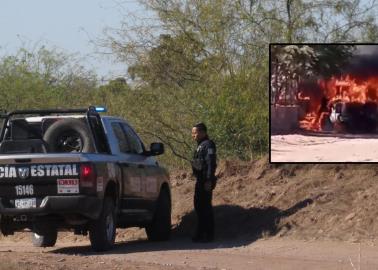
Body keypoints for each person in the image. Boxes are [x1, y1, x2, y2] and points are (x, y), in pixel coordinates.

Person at [191, 122, 217, 243]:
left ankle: (209, 234)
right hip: (200, 180)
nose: (193, 135)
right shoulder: (200, 145)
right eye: (192, 133)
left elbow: (210, 163)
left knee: (205, 208)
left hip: (205, 180)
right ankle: (200, 233)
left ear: (203, 132)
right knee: (199, 206)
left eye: (195, 133)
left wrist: (208, 180)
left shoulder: (208, 145)